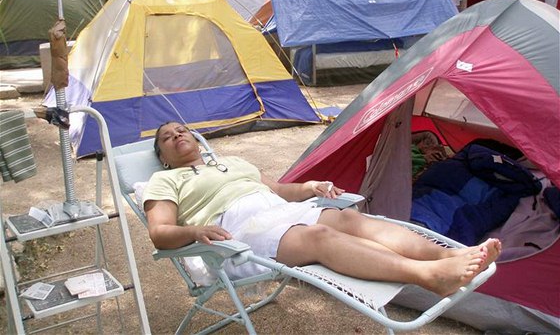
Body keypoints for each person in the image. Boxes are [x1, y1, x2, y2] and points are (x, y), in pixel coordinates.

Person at [143, 122, 501, 297]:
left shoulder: (232, 162)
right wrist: (193, 232)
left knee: (348, 216)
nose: (177, 135)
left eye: (181, 130)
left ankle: (449, 254)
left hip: (276, 210)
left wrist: (310, 187)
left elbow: (281, 190)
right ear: (162, 156)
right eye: (167, 137)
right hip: (237, 231)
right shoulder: (165, 181)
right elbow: (160, 232)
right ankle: (427, 276)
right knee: (319, 235)